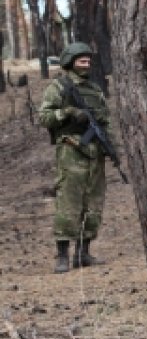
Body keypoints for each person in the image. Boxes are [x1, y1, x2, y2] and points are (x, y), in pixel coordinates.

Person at [38, 42, 113, 274]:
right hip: (71, 151)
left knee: (93, 204)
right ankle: (62, 256)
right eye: (81, 61)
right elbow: (45, 117)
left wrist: (110, 146)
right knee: (68, 205)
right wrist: (68, 112)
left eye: (88, 61)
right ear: (70, 62)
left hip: (94, 153)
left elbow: (105, 120)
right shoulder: (59, 87)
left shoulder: (95, 89)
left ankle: (84, 253)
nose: (86, 64)